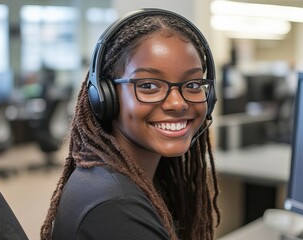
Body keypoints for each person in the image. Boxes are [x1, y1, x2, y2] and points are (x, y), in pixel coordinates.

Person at [40, 8, 220, 240]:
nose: (177, 103)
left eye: (193, 84)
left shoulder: (125, 180)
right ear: (104, 97)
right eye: (148, 85)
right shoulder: (114, 207)